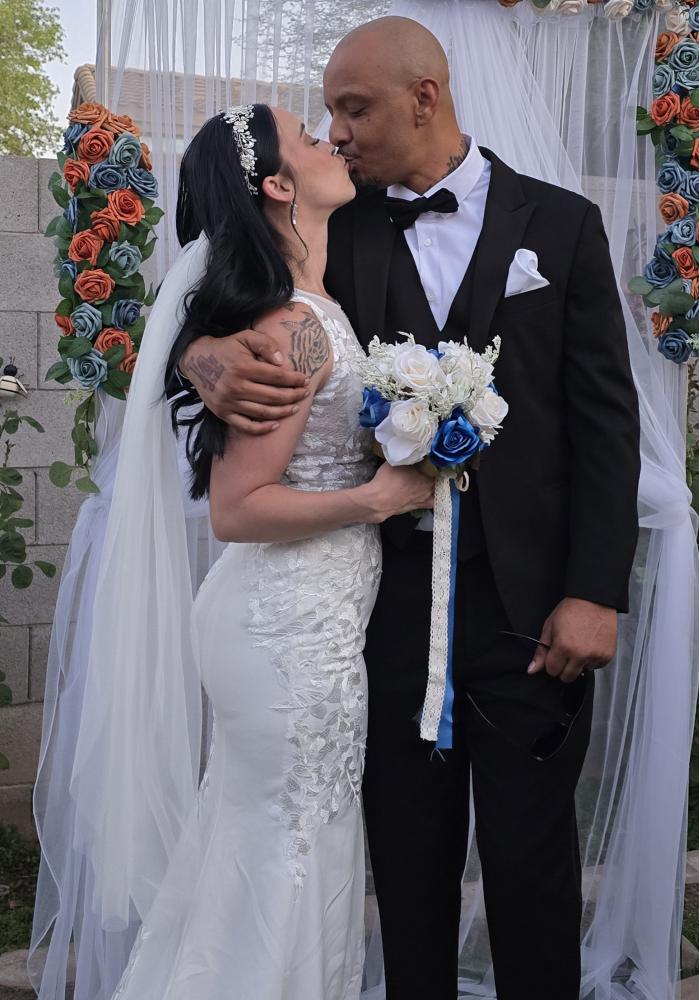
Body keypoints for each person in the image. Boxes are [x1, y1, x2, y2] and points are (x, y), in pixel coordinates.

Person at [181, 15, 641, 1000]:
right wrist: (202, 356)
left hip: (530, 613)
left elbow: (607, 423)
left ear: (423, 98)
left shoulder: (563, 226)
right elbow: (243, 292)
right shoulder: (335, 226)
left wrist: (596, 591)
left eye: (354, 109)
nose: (336, 133)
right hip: (379, 613)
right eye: (327, 116)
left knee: (532, 860)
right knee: (405, 863)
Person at [102, 102, 434, 1000]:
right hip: (283, 631)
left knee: (283, 844)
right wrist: (376, 498)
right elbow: (237, 508)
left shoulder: (311, 303)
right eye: (311, 138)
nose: (334, 141)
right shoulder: (293, 327)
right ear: (280, 186)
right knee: (283, 847)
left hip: (311, 622)